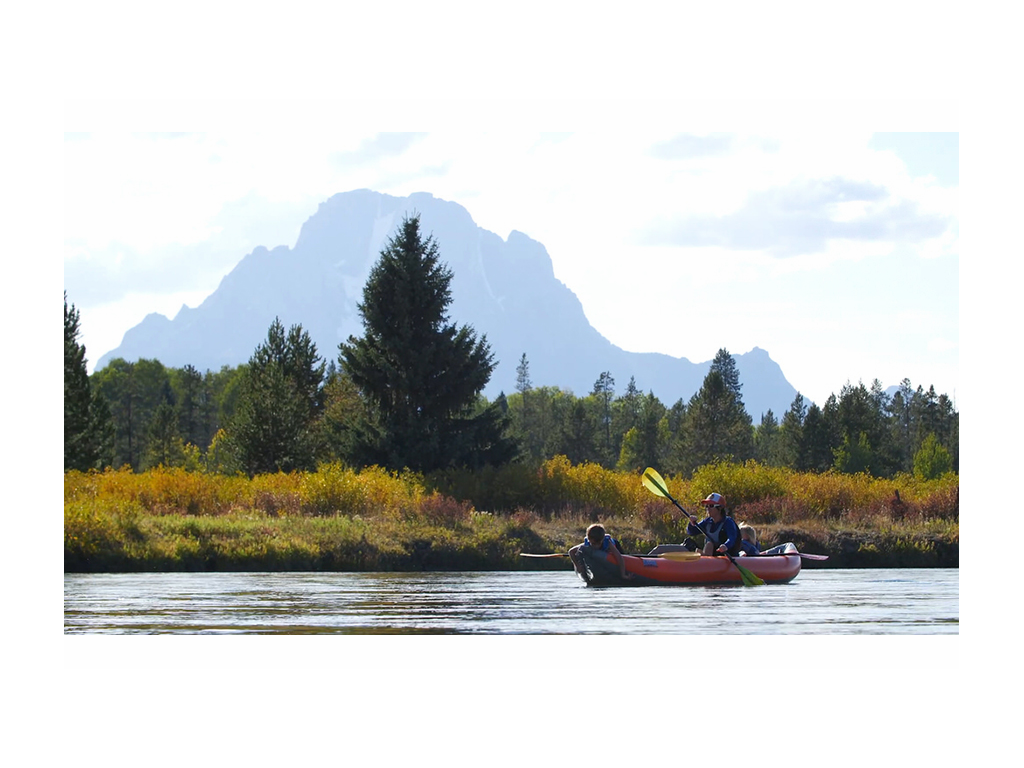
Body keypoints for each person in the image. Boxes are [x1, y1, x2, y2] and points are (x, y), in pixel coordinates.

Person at [569, 523, 633, 581]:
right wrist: (577, 566)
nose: (596, 546)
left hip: (616, 545)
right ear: (589, 539)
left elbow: (619, 557)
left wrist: (623, 574)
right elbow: (571, 552)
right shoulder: (587, 544)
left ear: (602, 539)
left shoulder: (608, 543)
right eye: (593, 544)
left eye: (599, 543)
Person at [686, 493, 742, 557]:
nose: (708, 509)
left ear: (720, 508)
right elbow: (691, 532)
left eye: (711, 506)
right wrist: (691, 523)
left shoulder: (728, 522)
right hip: (712, 555)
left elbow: (732, 538)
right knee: (699, 545)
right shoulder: (707, 521)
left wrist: (726, 546)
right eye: (707, 506)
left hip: (727, 556)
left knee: (709, 544)